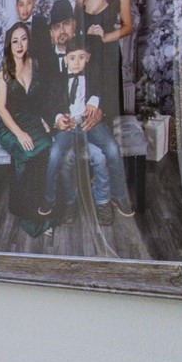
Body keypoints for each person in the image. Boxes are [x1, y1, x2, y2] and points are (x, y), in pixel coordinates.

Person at [74, 0, 135, 216]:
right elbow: (75, 40)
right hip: (87, 64)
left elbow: (129, 26)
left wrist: (104, 36)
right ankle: (98, 183)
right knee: (89, 115)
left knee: (106, 120)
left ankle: (113, 193)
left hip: (109, 60)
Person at [44, 45, 127, 227]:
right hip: (69, 126)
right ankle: (50, 198)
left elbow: (106, 92)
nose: (76, 63)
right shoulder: (57, 80)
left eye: (81, 57)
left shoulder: (95, 75)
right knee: (56, 153)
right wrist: (59, 117)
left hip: (90, 124)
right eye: (72, 58)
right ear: (65, 59)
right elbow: (51, 104)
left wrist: (96, 101)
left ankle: (117, 196)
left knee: (112, 149)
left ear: (88, 57)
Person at [0, 21, 53, 237]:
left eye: (23, 39)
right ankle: (31, 217)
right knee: (28, 154)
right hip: (10, 125)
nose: (19, 45)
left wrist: (42, 119)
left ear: (29, 40)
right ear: (9, 44)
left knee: (46, 146)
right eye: (14, 41)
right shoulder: (4, 72)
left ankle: (37, 203)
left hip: (30, 119)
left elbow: (36, 100)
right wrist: (19, 133)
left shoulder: (34, 63)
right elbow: (1, 109)